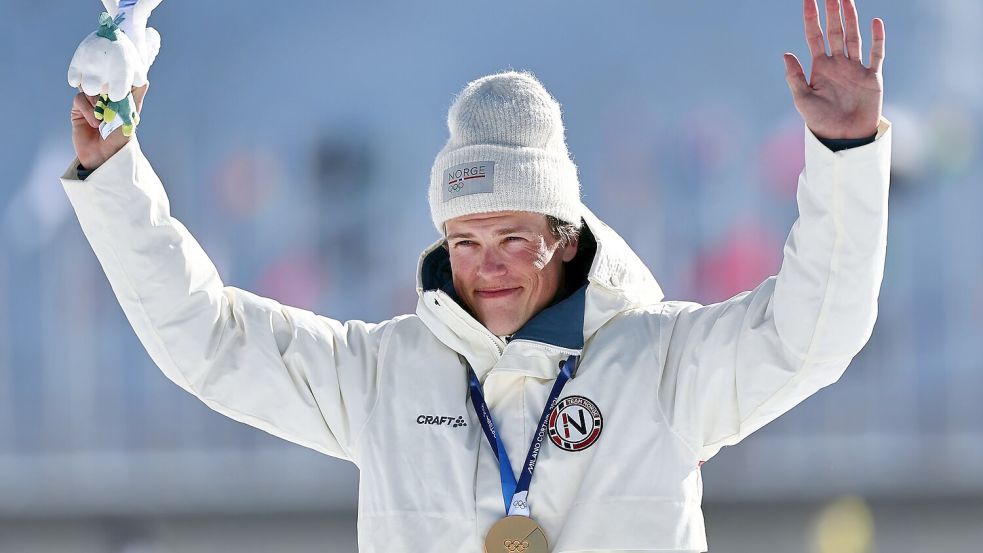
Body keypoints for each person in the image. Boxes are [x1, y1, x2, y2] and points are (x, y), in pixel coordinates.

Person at [63, 0, 891, 551]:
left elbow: (811, 333)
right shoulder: (383, 374)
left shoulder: (661, 365)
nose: (484, 264)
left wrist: (845, 155)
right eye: (463, 239)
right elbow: (209, 340)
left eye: (511, 237)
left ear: (563, 237)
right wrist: (112, 172)